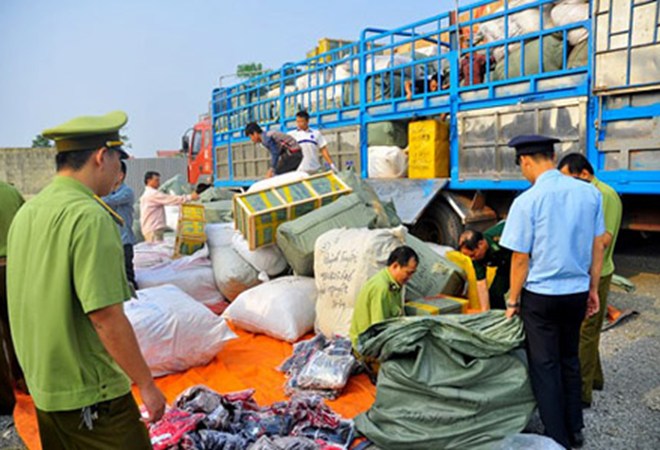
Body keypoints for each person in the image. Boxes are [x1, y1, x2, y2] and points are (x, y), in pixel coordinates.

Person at [6, 111, 166, 449]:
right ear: (100, 157)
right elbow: (105, 318)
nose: (118, 172)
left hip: (46, 392)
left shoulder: (27, 213)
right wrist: (147, 385)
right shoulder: (90, 217)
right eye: (117, 160)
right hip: (93, 397)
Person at [500, 135, 605, 449]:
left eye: (522, 166)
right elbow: (597, 244)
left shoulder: (527, 200)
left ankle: (557, 439)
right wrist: (593, 289)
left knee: (545, 367)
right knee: (569, 357)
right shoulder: (589, 194)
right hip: (575, 291)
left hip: (541, 296)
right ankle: (575, 428)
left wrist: (512, 300)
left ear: (527, 161)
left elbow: (520, 258)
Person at [558, 152, 623, 408]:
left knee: (585, 333)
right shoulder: (587, 193)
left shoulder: (603, 195)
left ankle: (581, 393)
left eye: (569, 179)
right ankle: (595, 379)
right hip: (587, 271)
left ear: (584, 174)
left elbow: (603, 239)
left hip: (597, 272)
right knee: (588, 329)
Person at [349, 246, 419, 350]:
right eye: (408, 273)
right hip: (366, 346)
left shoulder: (394, 284)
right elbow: (379, 330)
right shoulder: (382, 288)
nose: (410, 278)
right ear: (395, 266)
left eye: (412, 273)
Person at [0, 180, 25, 415]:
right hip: (12, 268)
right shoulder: (10, 192)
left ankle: (4, 400)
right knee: (17, 328)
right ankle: (26, 381)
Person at [458, 221, 511, 311]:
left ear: (481, 244)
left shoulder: (502, 237)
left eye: (473, 255)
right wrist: (484, 313)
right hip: (505, 264)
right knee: (495, 294)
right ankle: (500, 320)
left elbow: (521, 258)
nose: (472, 259)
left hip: (525, 259)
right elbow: (481, 283)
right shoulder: (476, 257)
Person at [102, 161, 138, 289]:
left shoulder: (127, 192)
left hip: (124, 241)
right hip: (112, 241)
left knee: (128, 276)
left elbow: (109, 202)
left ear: (120, 175)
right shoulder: (109, 192)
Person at [140, 171, 198, 242]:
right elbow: (170, 199)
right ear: (149, 181)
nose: (159, 183)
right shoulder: (152, 194)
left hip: (151, 229)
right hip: (153, 229)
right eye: (156, 180)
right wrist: (189, 197)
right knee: (156, 251)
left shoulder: (147, 194)